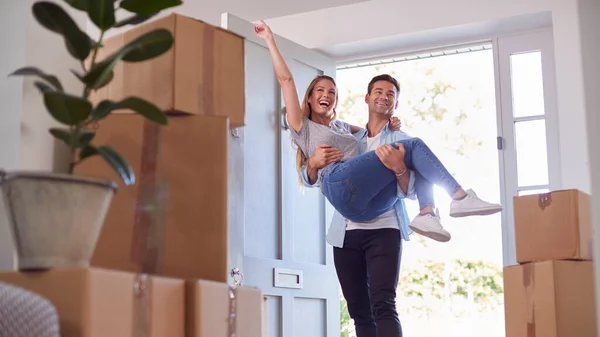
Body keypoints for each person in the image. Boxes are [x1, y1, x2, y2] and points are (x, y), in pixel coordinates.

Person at [254, 20, 502, 241]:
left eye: (332, 92)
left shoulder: (342, 128)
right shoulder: (303, 127)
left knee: (412, 154)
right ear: (308, 98)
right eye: (320, 90)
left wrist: (392, 124)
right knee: (413, 146)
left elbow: (371, 128)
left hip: (364, 206)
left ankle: (427, 213)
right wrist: (269, 39)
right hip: (338, 183)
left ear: (337, 101)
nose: (326, 95)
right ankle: (458, 197)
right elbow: (286, 80)